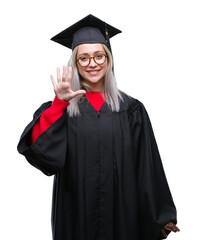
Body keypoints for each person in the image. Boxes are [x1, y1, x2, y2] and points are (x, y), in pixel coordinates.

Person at [17, 14, 180, 240]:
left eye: (98, 56)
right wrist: (59, 104)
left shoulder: (132, 110)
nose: (92, 63)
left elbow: (147, 165)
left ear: (109, 59)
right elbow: (40, 153)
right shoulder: (63, 108)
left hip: (123, 215)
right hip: (74, 215)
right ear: (75, 63)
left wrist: (161, 216)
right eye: (83, 58)